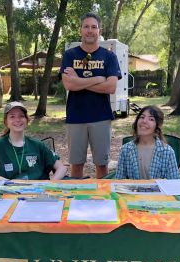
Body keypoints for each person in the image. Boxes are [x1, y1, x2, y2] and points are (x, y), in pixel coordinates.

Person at [60, 12, 122, 179]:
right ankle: (76, 200)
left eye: (93, 27)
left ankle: (103, 201)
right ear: (80, 30)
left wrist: (78, 81)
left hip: (101, 117)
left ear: (99, 31)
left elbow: (110, 87)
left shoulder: (109, 56)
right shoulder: (70, 55)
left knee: (102, 164)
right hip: (76, 116)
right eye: (86, 26)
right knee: (76, 164)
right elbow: (68, 84)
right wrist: (96, 79)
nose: (90, 30)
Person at [0, 102, 67, 181]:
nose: (17, 120)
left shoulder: (38, 145)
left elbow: (62, 168)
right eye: (12, 116)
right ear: (6, 122)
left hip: (38, 193)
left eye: (21, 116)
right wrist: (3, 181)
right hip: (9, 193)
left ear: (27, 120)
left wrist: (50, 184)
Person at [116, 106, 180, 180]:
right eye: (142, 117)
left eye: (151, 119)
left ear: (157, 126)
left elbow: (174, 183)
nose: (144, 121)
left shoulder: (167, 151)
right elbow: (119, 181)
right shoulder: (126, 149)